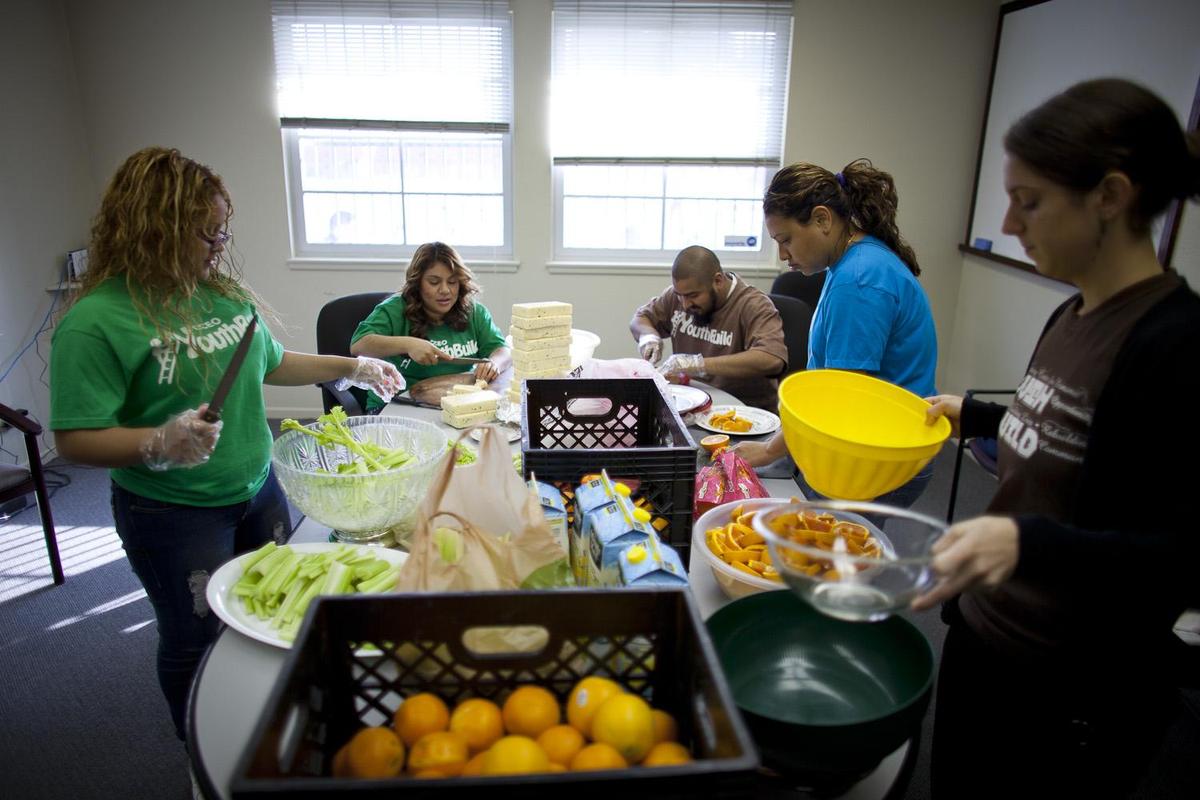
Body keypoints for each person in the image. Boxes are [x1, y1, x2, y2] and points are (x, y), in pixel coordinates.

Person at [49, 147, 404, 742]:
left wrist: (353, 365)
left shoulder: (221, 296)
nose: (219, 245)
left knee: (266, 617)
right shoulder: (97, 321)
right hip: (172, 511)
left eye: (223, 231)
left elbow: (270, 364)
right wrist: (158, 442)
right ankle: (203, 747)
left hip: (256, 489)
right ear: (153, 228)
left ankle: (266, 725)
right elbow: (76, 439)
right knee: (193, 637)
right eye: (205, 233)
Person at [914, 78, 1200, 798]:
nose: (1010, 224)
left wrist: (1027, 542)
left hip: (1068, 685)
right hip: (988, 635)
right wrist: (974, 415)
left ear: (1110, 195)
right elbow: (1064, 431)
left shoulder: (1175, 345)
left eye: (1029, 200)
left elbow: (1182, 556)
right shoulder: (1073, 314)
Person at [737, 159, 938, 508]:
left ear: (822, 219)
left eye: (786, 240)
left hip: (877, 453)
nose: (783, 255)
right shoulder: (852, 261)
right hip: (872, 438)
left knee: (827, 552)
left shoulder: (858, 280)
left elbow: (839, 396)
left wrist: (772, 450)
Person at [350, 241, 510, 411]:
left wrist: (494, 363)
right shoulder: (394, 309)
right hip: (397, 405)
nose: (445, 290)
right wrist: (409, 344)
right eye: (434, 282)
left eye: (452, 282)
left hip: (457, 405)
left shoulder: (474, 312)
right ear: (417, 283)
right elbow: (359, 345)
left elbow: (502, 350)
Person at [630, 245, 788, 411]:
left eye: (693, 296)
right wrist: (649, 338)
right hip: (695, 405)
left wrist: (697, 364)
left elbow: (772, 359)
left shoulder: (753, 305)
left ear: (718, 281)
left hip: (743, 412)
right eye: (679, 295)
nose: (685, 304)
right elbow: (640, 319)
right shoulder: (679, 296)